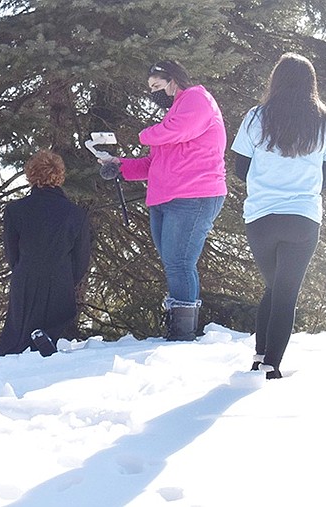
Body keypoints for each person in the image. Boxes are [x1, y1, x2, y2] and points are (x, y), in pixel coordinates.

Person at [231, 53, 326, 379]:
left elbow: (240, 169)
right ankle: (270, 365)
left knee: (274, 286)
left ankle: (259, 356)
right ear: (311, 83)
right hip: (303, 217)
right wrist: (302, 186)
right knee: (284, 291)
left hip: (260, 217)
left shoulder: (256, 117)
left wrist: (268, 180)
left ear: (275, 80)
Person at [99, 60, 227, 341]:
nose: (154, 92)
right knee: (174, 262)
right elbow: (153, 163)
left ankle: (183, 333)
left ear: (172, 79)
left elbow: (175, 131)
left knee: (179, 262)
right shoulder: (175, 112)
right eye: (150, 89)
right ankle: (180, 327)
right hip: (166, 197)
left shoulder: (196, 98)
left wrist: (145, 134)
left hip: (194, 194)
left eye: (156, 85)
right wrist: (119, 165)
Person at [0, 150, 92, 357]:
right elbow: (81, 258)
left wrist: (22, 270)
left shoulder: (15, 210)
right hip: (60, 278)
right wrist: (68, 278)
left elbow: (11, 252)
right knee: (57, 321)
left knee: (16, 337)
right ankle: (45, 338)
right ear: (60, 175)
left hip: (26, 277)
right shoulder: (75, 213)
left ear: (30, 175)